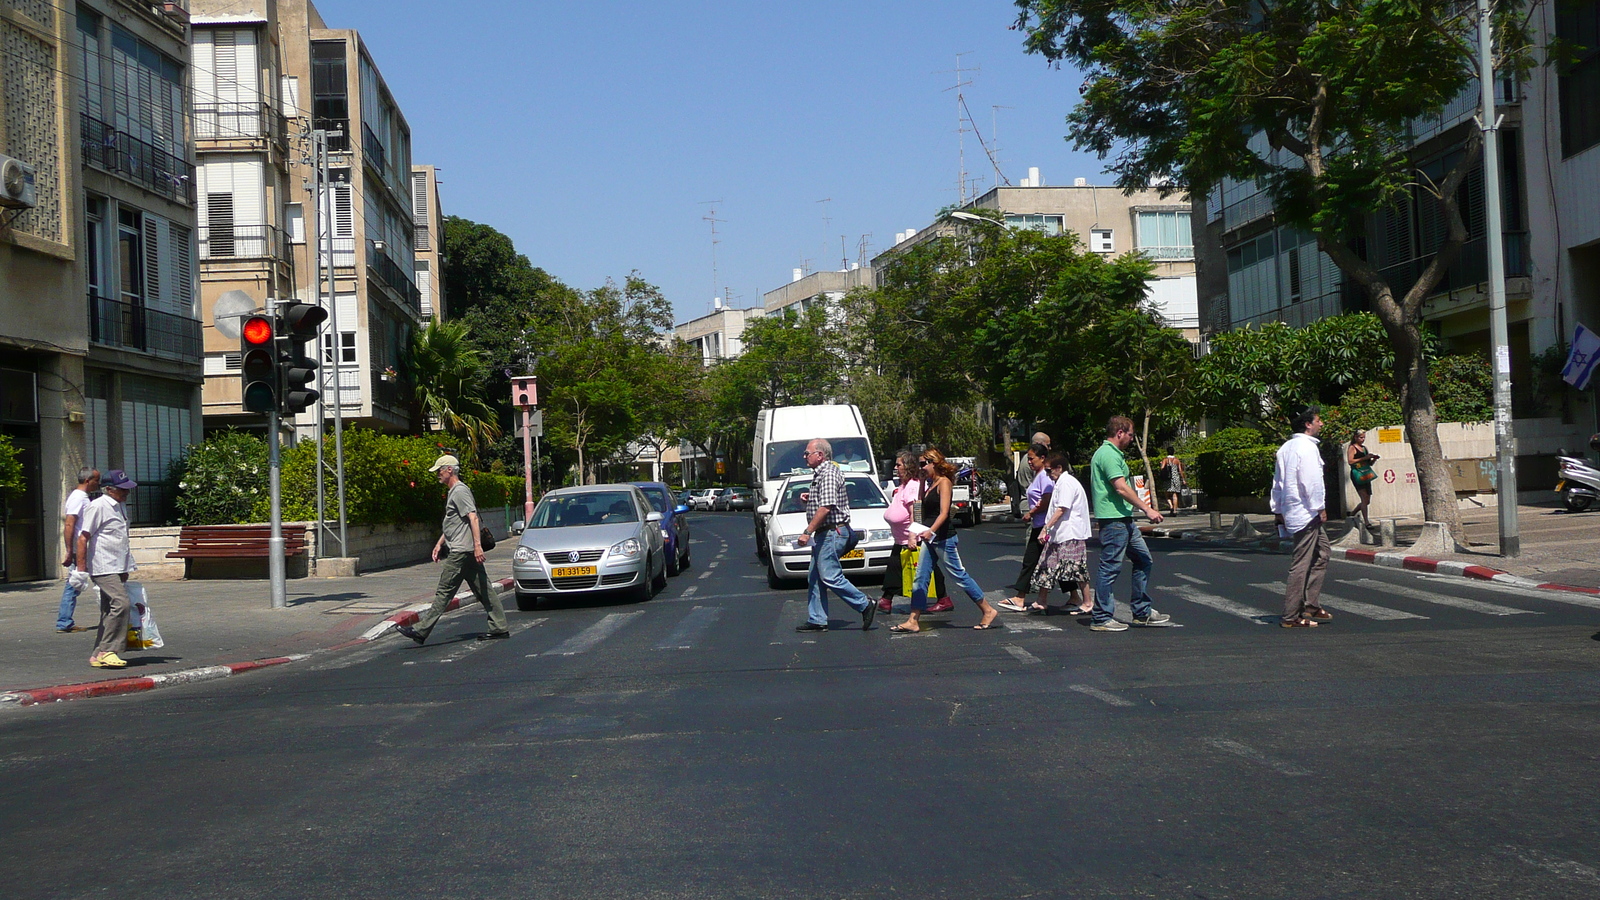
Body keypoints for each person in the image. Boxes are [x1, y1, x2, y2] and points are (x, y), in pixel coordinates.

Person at [397, 455, 509, 645]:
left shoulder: (459, 491)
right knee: (485, 589)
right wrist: (440, 543)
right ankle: (499, 627)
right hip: (464, 550)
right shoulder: (455, 491)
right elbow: (455, 523)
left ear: (449, 470)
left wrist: (477, 546)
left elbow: (472, 518)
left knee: (444, 592)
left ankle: (421, 630)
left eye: (439, 470)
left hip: (461, 552)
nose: (438, 475)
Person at [890, 448, 998, 633]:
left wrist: (930, 531)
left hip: (943, 538)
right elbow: (920, 505)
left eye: (924, 464)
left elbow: (944, 513)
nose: (921, 467)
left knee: (959, 576)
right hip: (930, 538)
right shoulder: (930, 483)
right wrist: (923, 482)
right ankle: (913, 620)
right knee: (920, 579)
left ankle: (988, 610)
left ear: (935, 463)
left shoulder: (944, 483)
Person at [1089, 416, 1171, 632]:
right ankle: (1102, 617)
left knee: (1144, 559)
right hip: (1114, 520)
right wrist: (1147, 509)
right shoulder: (1107, 454)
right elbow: (1121, 487)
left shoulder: (1113, 454)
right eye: (1131, 435)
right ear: (1120, 433)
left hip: (1124, 519)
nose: (1131, 439)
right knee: (1110, 568)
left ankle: (1141, 612)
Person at [793, 439, 876, 632]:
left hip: (832, 532)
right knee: (815, 577)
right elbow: (826, 502)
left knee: (830, 576)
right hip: (826, 533)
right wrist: (809, 498)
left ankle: (865, 604)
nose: (805, 456)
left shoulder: (828, 473)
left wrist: (807, 532)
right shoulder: (821, 473)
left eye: (808, 453)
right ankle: (817, 619)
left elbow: (827, 506)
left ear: (820, 455)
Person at [1273, 406, 1333, 628]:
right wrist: (1320, 507)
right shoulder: (1306, 448)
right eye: (1318, 420)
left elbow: (1277, 484)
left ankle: (1310, 604)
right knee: (1301, 563)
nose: (1321, 424)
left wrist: (1278, 510)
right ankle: (1291, 616)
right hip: (1306, 513)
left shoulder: (1286, 448)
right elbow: (1311, 482)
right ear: (1308, 424)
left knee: (1323, 552)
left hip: (1296, 511)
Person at [75, 469, 137, 668]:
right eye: (122, 489)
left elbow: (121, 538)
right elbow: (83, 537)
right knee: (121, 603)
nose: (126, 493)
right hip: (103, 566)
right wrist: (81, 569)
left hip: (118, 565)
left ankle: (97, 654)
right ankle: (109, 651)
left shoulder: (120, 506)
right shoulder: (98, 506)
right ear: (109, 489)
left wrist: (126, 566)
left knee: (108, 610)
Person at [878, 451, 951, 614]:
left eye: (899, 465)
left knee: (910, 567)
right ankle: (943, 598)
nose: (896, 468)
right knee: (911, 567)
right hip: (901, 537)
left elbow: (915, 512)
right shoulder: (903, 486)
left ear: (908, 467)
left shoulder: (912, 486)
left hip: (912, 537)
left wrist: (913, 535)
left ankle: (887, 599)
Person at [1029, 453, 1093, 614]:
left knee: (1076, 569)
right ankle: (1041, 600)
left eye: (1049, 471)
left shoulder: (1067, 483)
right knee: (1046, 565)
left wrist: (1045, 528)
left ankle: (1087, 602)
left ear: (1059, 468)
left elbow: (1061, 508)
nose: (1048, 475)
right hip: (1059, 533)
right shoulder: (1060, 482)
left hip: (1071, 533)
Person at [999, 443, 1053, 612]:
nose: (1029, 462)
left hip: (1043, 526)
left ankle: (1020, 597)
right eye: (1028, 459)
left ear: (1042, 458)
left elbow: (1047, 499)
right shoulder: (1038, 475)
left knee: (1030, 561)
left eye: (1032, 458)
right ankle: (1075, 596)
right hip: (1039, 525)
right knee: (1055, 562)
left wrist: (1031, 512)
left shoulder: (1044, 476)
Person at [56, 467, 100, 633]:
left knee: (75, 583)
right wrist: (70, 550)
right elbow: (69, 524)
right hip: (79, 548)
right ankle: (64, 621)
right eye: (96, 480)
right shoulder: (78, 498)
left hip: (82, 547)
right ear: (88, 481)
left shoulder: (83, 498)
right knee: (74, 583)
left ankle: (65, 620)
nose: (98, 484)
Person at [1010, 431, 1051, 518]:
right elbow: (1034, 492)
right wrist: (1031, 513)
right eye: (1048, 445)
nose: (1050, 448)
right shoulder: (1031, 463)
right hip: (1031, 507)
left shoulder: (1040, 469)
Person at [1347, 430, 1378, 529]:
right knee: (1364, 498)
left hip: (1366, 473)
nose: (1362, 439)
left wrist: (1373, 459)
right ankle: (1366, 522)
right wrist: (1364, 458)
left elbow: (1369, 464)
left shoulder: (1364, 448)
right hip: (1357, 474)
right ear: (1355, 437)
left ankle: (1353, 513)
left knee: (1367, 500)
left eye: (1364, 437)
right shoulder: (1352, 447)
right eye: (1360, 437)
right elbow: (1350, 461)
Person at [1159, 449, 1187, 516]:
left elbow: (1162, 468)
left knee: (1167, 494)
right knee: (1175, 495)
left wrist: (1161, 465)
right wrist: (1183, 479)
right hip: (1176, 478)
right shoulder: (1177, 460)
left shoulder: (1165, 460)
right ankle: (1175, 510)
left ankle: (1171, 506)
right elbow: (1180, 470)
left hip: (1168, 479)